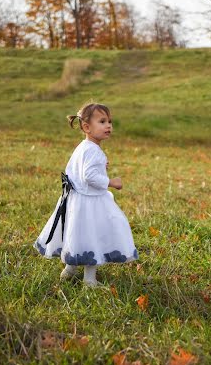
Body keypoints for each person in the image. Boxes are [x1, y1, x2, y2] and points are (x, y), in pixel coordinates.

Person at [33, 102, 139, 287]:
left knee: (77, 234)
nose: (108, 126)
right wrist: (111, 182)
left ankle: (69, 269)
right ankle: (89, 280)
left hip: (76, 200)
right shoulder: (92, 150)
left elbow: (78, 169)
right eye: (102, 121)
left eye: (110, 121)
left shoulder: (84, 146)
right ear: (86, 127)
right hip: (91, 203)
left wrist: (100, 166)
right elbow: (89, 176)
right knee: (92, 236)